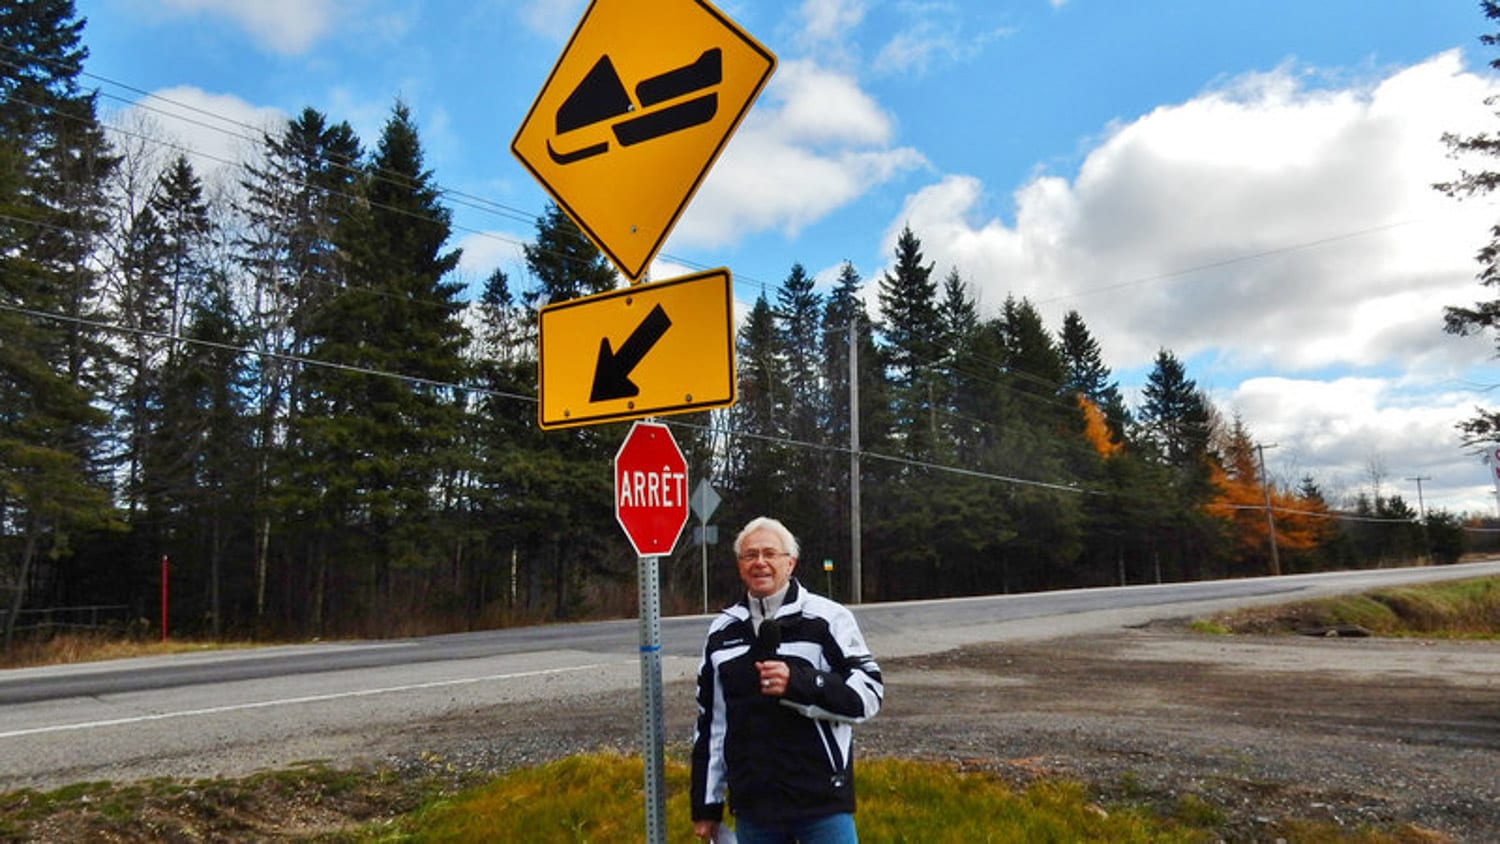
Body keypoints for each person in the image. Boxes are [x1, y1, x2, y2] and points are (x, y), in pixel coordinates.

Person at [690, 516, 884, 843]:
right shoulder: (722, 632)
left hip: (821, 803)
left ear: (790, 563)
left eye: (770, 554)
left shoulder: (828, 619)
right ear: (740, 566)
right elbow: (711, 725)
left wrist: (800, 683)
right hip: (754, 806)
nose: (760, 563)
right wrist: (707, 806)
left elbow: (869, 694)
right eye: (750, 555)